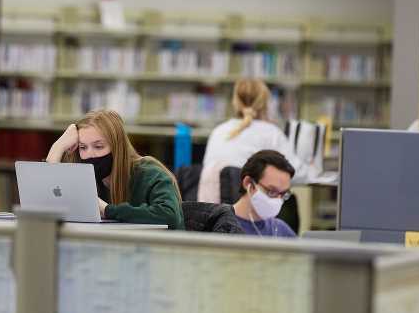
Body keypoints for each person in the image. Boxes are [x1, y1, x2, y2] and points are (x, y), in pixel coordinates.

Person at [46, 109, 185, 230]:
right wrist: (57, 148)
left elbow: (169, 215)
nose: (89, 154)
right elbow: (47, 200)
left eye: (98, 146)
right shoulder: (84, 177)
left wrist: (106, 210)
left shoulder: (150, 173)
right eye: (83, 147)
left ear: (118, 148)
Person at [197, 78, 305, 203]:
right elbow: (296, 173)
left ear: (235, 102)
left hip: (210, 212)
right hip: (248, 211)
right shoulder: (271, 133)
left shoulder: (218, 131)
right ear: (266, 103)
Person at [232, 150, 297, 237]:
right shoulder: (218, 227)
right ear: (248, 183)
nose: (278, 200)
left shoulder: (280, 230)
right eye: (272, 191)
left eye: (283, 193)